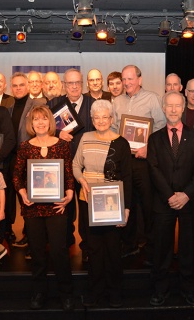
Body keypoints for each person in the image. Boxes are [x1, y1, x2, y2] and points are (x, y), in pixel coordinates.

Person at [147, 91, 194, 307]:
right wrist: (170, 195)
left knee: (188, 248)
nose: (173, 109)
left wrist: (186, 194)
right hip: (163, 201)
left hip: (189, 201)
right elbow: (153, 169)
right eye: (169, 106)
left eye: (177, 106)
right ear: (163, 108)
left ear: (183, 108)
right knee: (161, 248)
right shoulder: (154, 138)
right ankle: (160, 289)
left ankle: (189, 289)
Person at [13, 105, 75, 311]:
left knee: (59, 252)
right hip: (33, 208)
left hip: (57, 207)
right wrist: (22, 193)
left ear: (50, 122)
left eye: (44, 119)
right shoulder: (24, 146)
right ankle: (39, 293)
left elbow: (68, 173)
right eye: (36, 119)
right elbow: (16, 175)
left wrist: (69, 193)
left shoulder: (61, 145)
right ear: (31, 124)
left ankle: (66, 293)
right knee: (38, 253)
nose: (40, 122)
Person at [72, 99, 132, 308]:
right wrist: (81, 180)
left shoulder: (121, 142)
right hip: (89, 200)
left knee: (113, 249)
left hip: (112, 203)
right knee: (94, 249)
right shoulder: (85, 138)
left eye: (105, 117)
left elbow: (127, 178)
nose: (100, 121)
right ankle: (95, 292)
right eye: (96, 117)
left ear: (112, 118)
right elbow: (76, 165)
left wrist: (126, 209)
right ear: (92, 119)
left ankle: (115, 293)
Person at [111, 64, 165, 260]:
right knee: (128, 202)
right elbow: (115, 128)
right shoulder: (116, 101)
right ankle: (130, 243)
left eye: (130, 79)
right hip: (125, 162)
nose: (126, 83)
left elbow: (161, 126)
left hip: (145, 160)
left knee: (148, 203)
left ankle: (151, 245)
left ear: (139, 80)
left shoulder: (152, 99)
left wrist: (148, 148)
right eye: (124, 79)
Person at [48, 68, 96, 260]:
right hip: (61, 165)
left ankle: (86, 247)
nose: (74, 86)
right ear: (64, 85)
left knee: (86, 207)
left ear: (82, 83)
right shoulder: (53, 104)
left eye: (77, 83)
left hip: (87, 166)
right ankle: (65, 241)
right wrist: (57, 133)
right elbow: (39, 127)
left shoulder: (94, 104)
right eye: (70, 83)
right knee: (63, 207)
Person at [5, 72, 46, 248]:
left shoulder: (38, 105)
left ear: (28, 86)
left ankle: (32, 238)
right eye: (15, 85)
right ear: (10, 88)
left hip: (30, 160)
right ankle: (10, 232)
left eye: (22, 85)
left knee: (29, 200)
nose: (18, 88)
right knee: (10, 198)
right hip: (12, 158)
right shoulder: (9, 107)